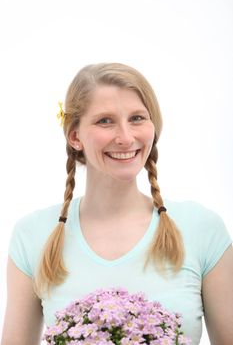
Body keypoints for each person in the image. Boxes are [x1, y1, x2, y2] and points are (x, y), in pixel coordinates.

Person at [1, 63, 233, 345]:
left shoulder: (201, 229)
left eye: (137, 118)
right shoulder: (33, 235)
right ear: (75, 136)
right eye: (105, 121)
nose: (125, 138)